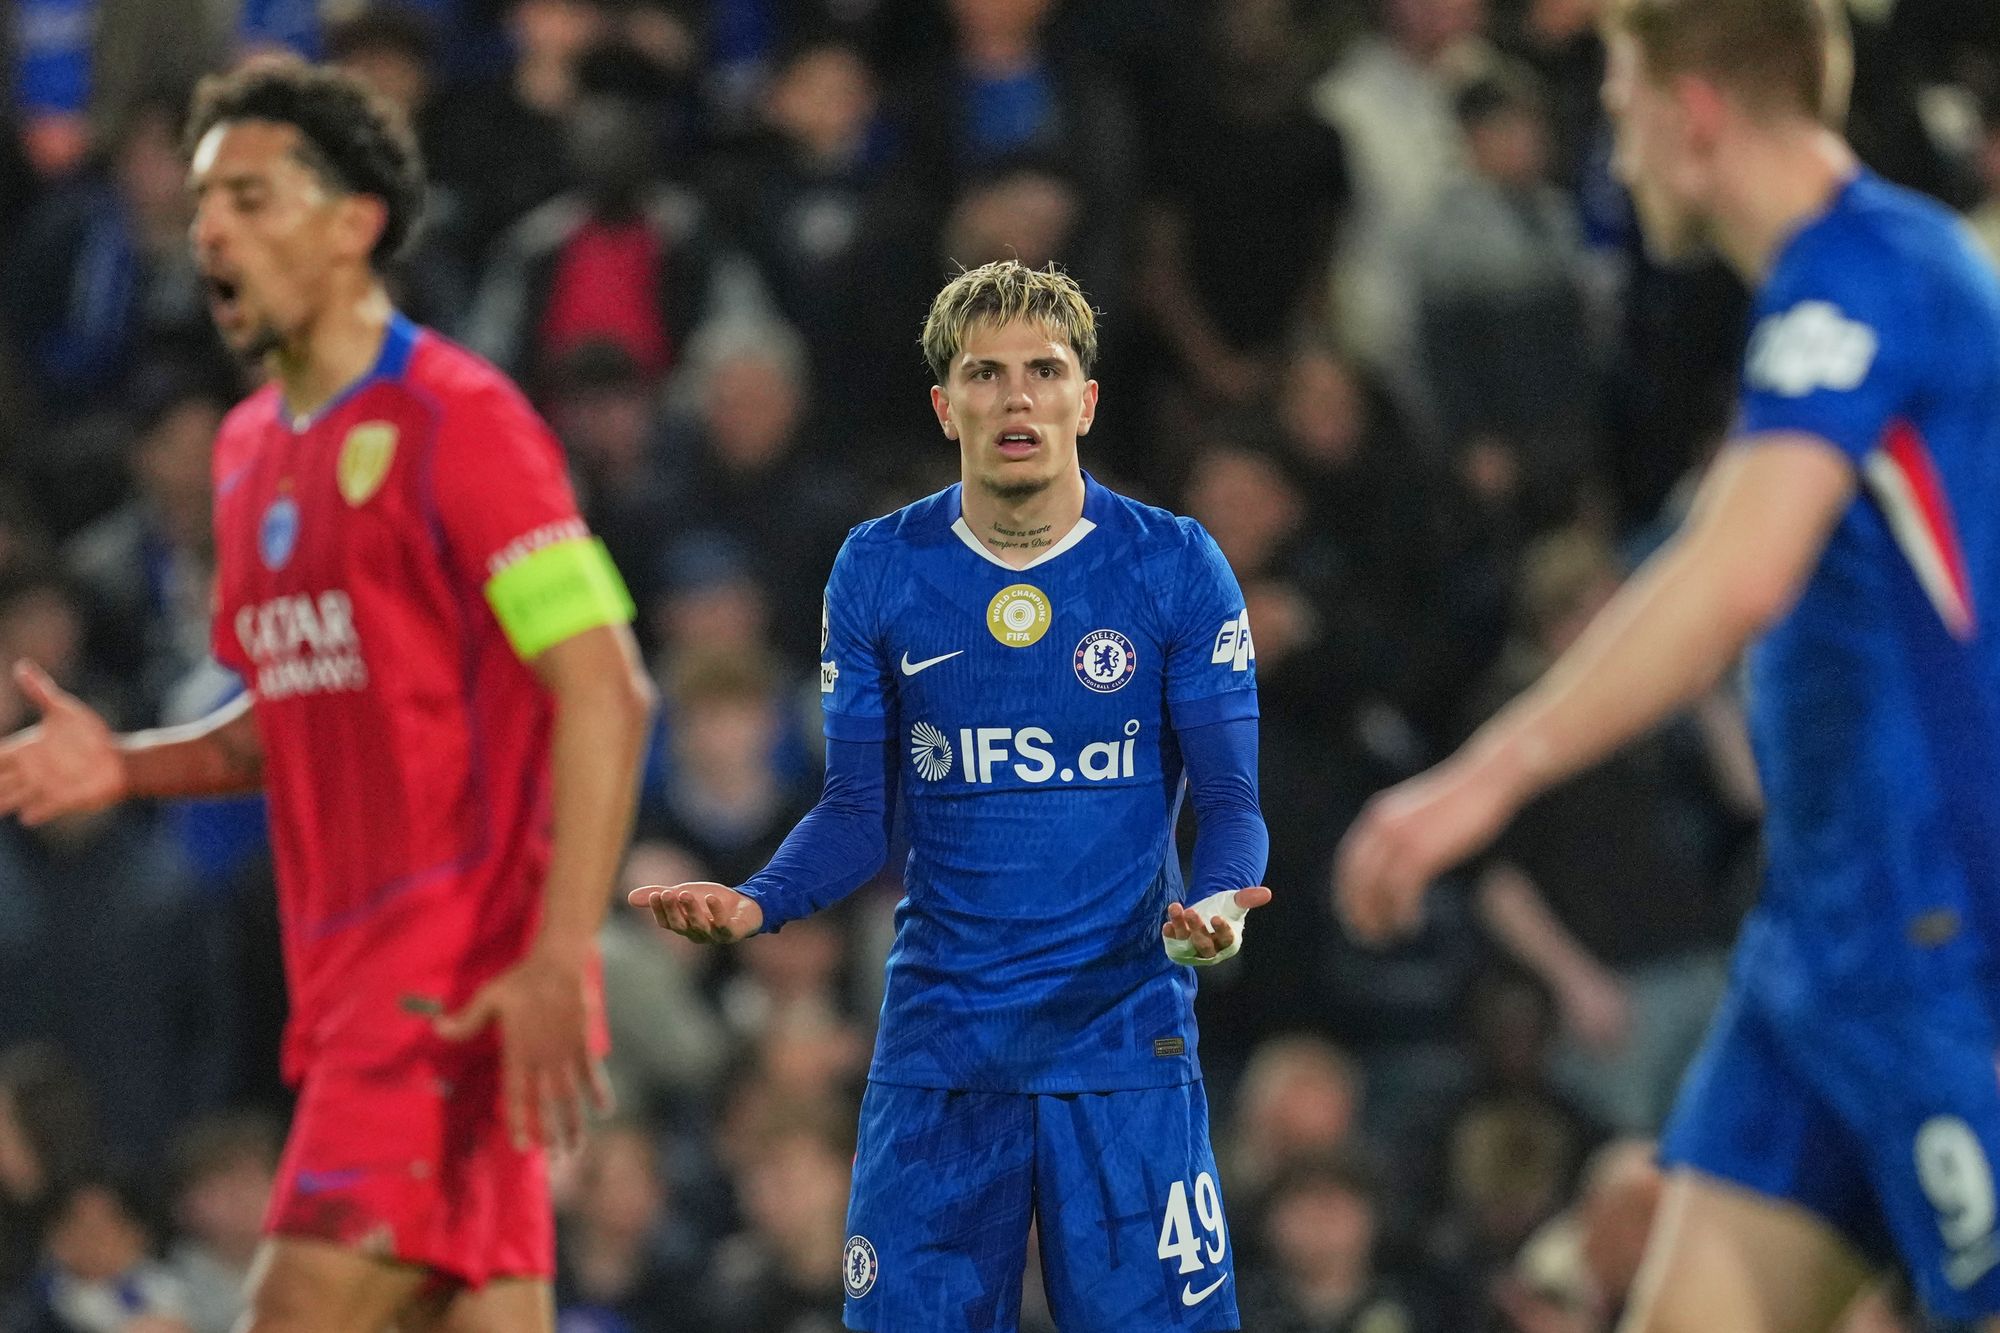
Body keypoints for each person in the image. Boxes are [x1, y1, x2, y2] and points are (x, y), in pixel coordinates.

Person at [1334, 0, 2000, 1329]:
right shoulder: (1816, 307)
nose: (1615, 154)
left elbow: (1731, 572)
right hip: (1823, 948)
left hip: (1951, 946)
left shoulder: (1877, 274)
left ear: (1692, 114)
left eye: (1623, 108)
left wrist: (1486, 773)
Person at [0, 60, 655, 1332]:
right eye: (201, 205)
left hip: (447, 999)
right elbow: (290, 717)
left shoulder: (463, 421)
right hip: (347, 997)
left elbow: (607, 692)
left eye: (249, 198)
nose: (210, 233)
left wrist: (556, 952)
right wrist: (128, 764)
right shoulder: (247, 454)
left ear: (354, 222)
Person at [632, 259, 1271, 1331]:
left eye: (1043, 370)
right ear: (944, 405)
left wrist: (1219, 904)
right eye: (984, 373)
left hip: (1119, 1044)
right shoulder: (880, 568)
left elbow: (1232, 801)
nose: (1015, 396)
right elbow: (852, 811)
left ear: (1086, 398)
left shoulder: (1172, 564)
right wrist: (756, 902)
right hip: (940, 1045)